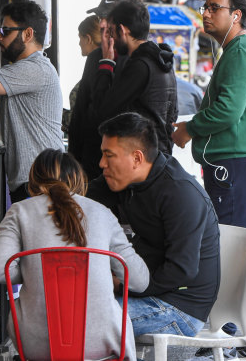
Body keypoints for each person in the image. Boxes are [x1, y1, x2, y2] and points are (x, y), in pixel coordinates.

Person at [171, 0, 246, 361]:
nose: (206, 13)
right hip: (242, 163)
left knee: (229, 255)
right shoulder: (236, 49)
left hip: (237, 165)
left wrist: (189, 128)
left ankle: (231, 339)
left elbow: (228, 111)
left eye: (214, 7)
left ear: (236, 15)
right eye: (205, 6)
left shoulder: (241, 50)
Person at [0, 149, 149, 360]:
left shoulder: (19, 211)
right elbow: (140, 280)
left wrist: (33, 270)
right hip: (103, 343)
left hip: (36, 345)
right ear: (78, 180)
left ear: (33, 182)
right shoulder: (102, 212)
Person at [87, 112, 220, 338]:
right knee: (59, 306)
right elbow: (79, 199)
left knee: (79, 318)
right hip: (141, 292)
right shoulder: (126, 179)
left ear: (137, 158)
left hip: (180, 307)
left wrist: (121, 285)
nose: (101, 164)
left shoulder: (179, 193)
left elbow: (181, 270)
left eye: (109, 155)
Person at [0, 1, 64, 203]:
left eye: (5, 31)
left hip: (43, 182)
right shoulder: (24, 70)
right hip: (34, 181)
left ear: (28, 34)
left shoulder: (36, 68)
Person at [91, 0, 178, 158]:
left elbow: (102, 110)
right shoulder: (163, 61)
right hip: (160, 155)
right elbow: (172, 114)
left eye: (111, 31)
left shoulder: (140, 66)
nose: (111, 38)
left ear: (122, 30)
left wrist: (106, 61)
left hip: (143, 159)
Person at [68, 0, 132, 181]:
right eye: (100, 17)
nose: (102, 23)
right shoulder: (96, 57)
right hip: (93, 165)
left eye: (107, 17)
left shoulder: (143, 58)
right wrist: (75, 160)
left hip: (130, 169)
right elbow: (81, 112)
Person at [63, 15, 101, 132]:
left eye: (80, 38)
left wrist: (55, 112)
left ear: (88, 39)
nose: (79, 43)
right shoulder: (106, 67)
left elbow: (80, 118)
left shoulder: (96, 70)